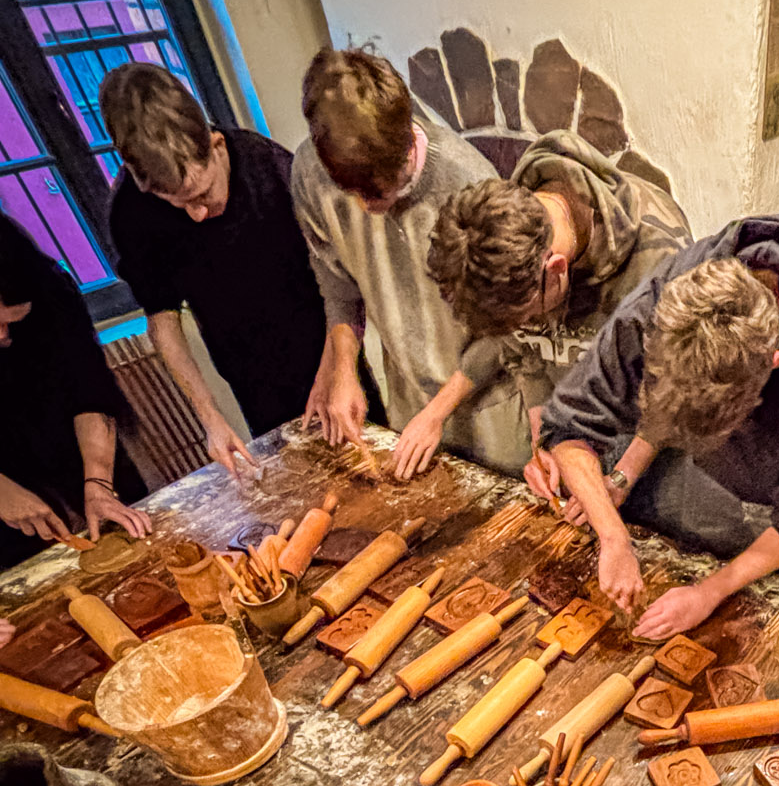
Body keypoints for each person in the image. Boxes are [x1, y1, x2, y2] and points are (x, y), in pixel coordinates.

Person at [535, 216, 779, 641]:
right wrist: (614, 525)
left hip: (769, 506)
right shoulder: (666, 297)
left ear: (773, 362)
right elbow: (568, 425)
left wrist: (710, 592)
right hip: (698, 481)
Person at [290, 49, 527, 469]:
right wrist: (344, 369)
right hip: (408, 407)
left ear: (403, 148)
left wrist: (437, 412)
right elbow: (339, 285)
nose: (363, 209)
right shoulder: (311, 172)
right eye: (352, 194)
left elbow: (508, 326)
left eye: (377, 193)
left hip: (491, 410)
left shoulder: (468, 184)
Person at [409, 131, 692, 483]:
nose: (526, 325)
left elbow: (674, 387)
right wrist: (543, 441)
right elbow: (525, 354)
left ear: (556, 268)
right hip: (580, 434)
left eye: (529, 315)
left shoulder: (660, 259)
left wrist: (620, 477)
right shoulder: (507, 240)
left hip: (649, 445)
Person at [101, 63, 330, 477]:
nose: (199, 213)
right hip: (248, 372)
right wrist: (210, 419)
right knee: (300, 480)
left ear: (217, 146)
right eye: (179, 203)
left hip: (321, 340)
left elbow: (338, 280)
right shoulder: (131, 215)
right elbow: (164, 324)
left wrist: (339, 368)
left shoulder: (271, 167)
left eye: (203, 193)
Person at [0, 215, 149, 570]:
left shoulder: (50, 292)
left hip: (74, 448)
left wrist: (98, 482)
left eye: (13, 321)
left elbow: (90, 392)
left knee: (134, 552)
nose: (3, 337)